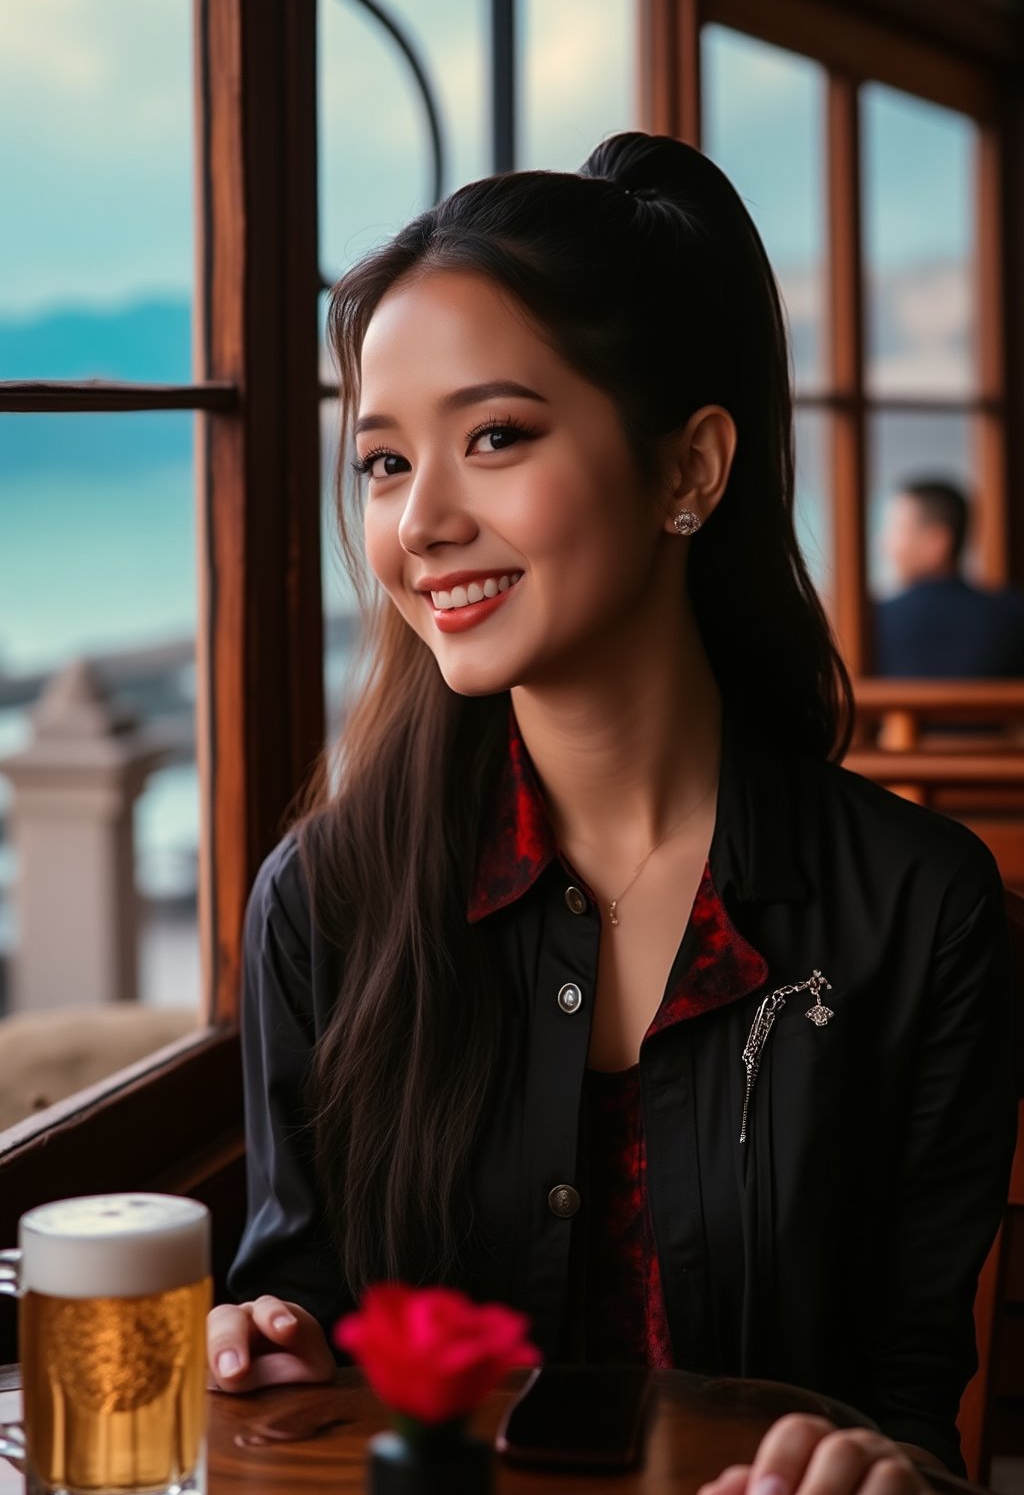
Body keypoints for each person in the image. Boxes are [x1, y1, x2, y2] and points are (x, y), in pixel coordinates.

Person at [206, 132, 1017, 1492]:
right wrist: (266, 1347)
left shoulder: (924, 912)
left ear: (691, 470)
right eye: (386, 464)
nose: (418, 525)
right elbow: (299, 1323)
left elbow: (910, 1404)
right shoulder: (326, 900)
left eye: (496, 437)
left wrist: (878, 1473)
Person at [875, 477, 1024, 678]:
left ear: (937, 541)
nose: (883, 544)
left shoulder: (874, 622)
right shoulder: (1012, 615)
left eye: (897, 530)